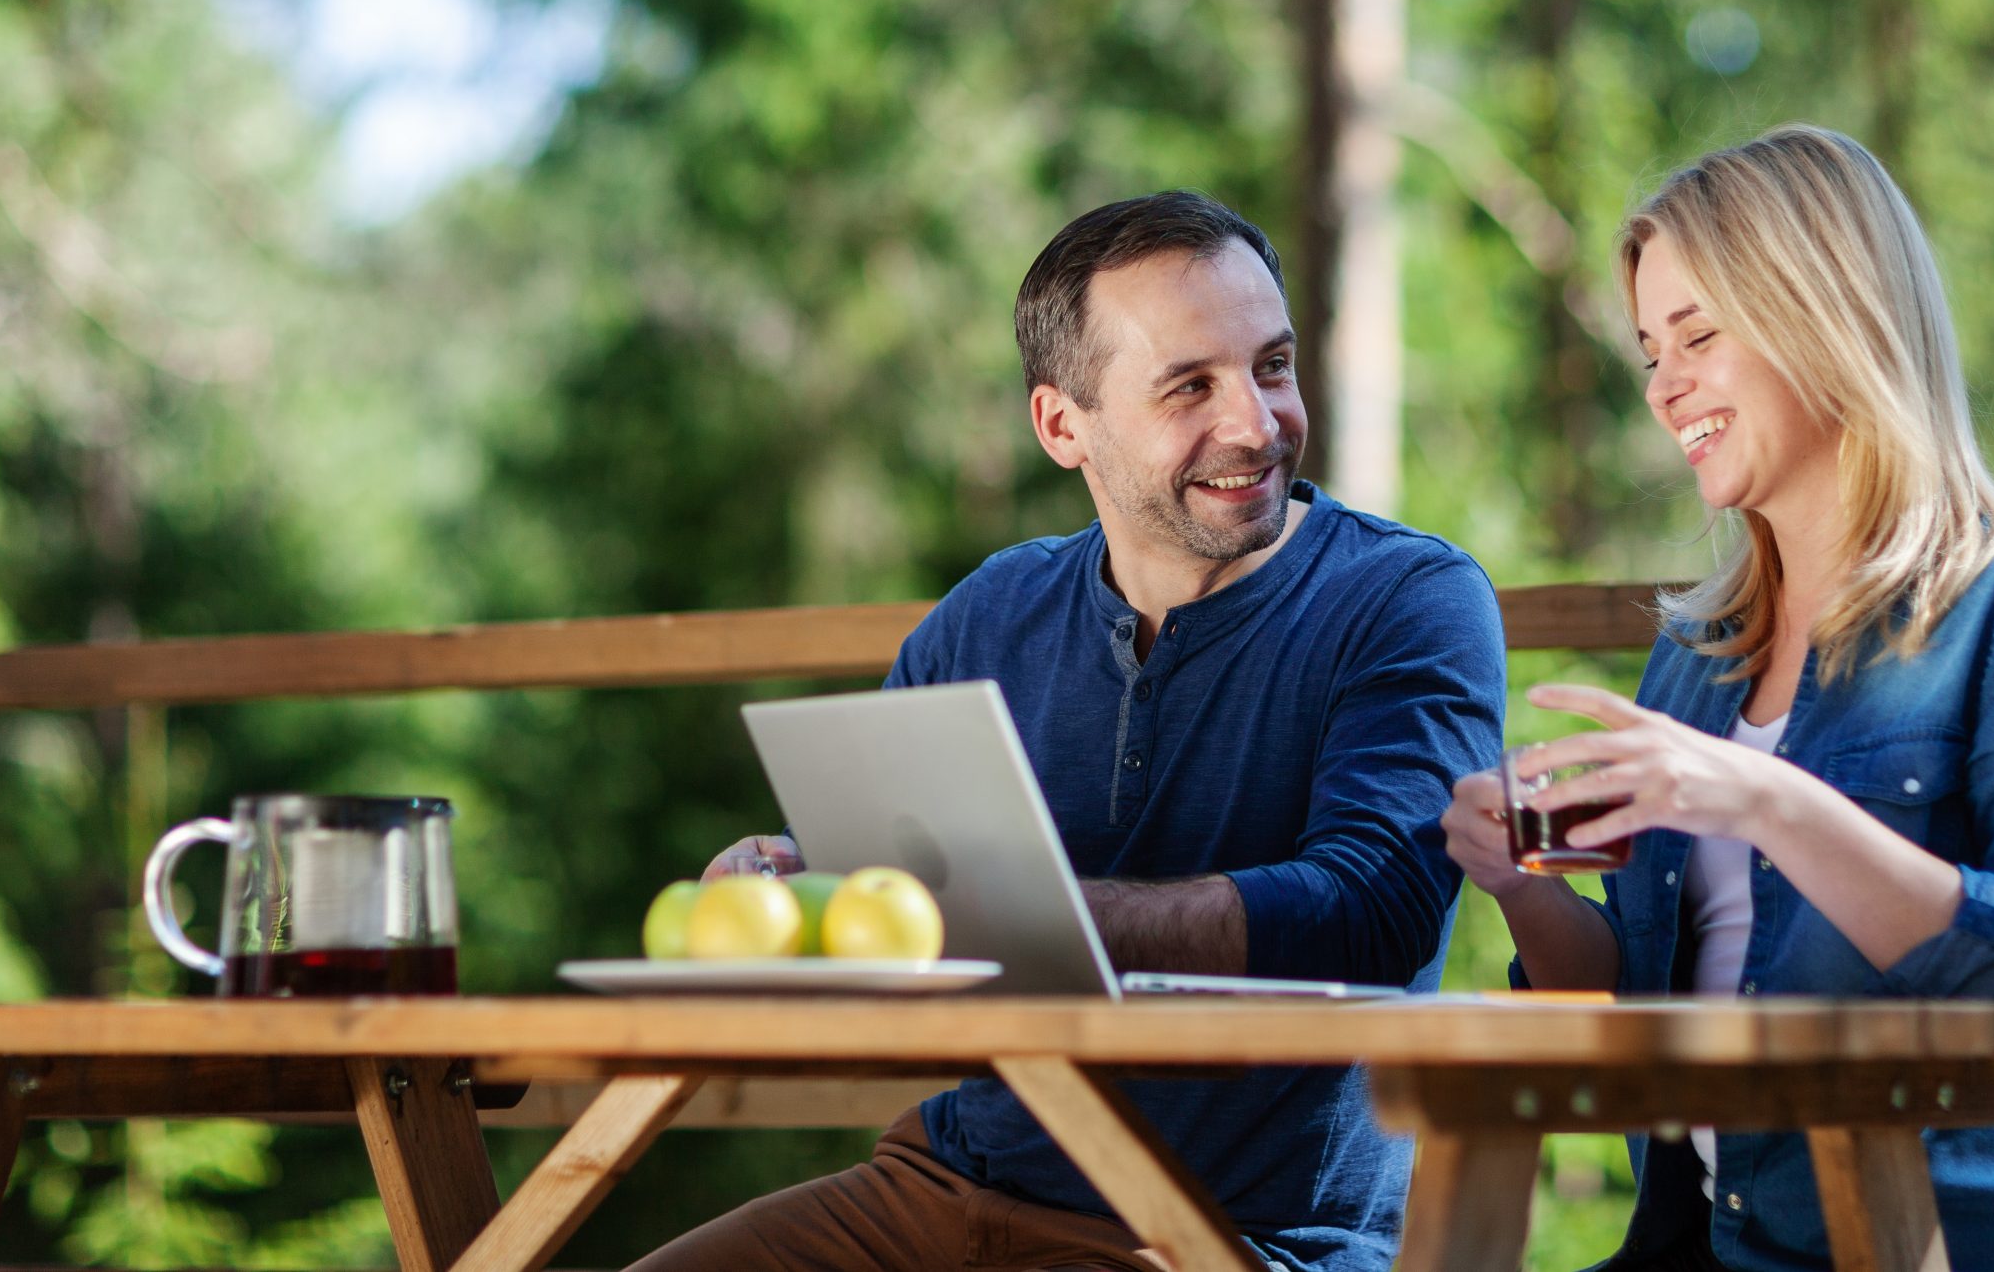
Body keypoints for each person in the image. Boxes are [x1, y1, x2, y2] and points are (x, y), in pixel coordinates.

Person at [636, 190, 1506, 1272]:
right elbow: (896, 893)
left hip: (1241, 1235)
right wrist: (795, 877)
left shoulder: (1408, 598)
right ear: (1062, 426)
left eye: (1270, 367)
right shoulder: (986, 617)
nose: (1254, 421)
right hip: (943, 1185)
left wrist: (1024, 912)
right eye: (1189, 385)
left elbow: (1370, 914)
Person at [1441, 126, 1994, 1272]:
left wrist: (1769, 804)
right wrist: (1516, 885)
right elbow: (1633, 1008)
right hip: (1701, 1245)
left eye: (1699, 336)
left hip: (1952, 1244)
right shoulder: (1699, 657)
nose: (1663, 386)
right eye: (1647, 350)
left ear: (1826, 316)